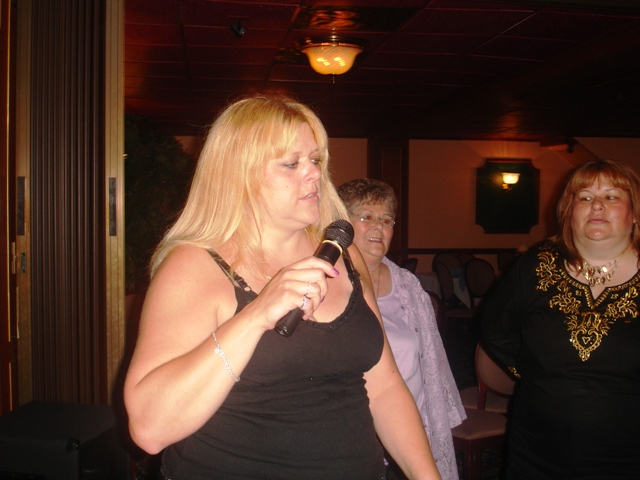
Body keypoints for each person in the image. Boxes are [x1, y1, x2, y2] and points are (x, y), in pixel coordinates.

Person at [124, 94, 441, 480]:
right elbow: (150, 428)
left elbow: (385, 387)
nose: (314, 175)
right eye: (291, 163)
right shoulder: (194, 266)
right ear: (238, 174)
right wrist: (255, 315)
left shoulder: (345, 256)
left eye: (316, 160)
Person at [482, 158, 640, 479]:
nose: (597, 205)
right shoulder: (536, 264)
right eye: (585, 197)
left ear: (634, 212)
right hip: (535, 450)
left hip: (628, 454)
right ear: (569, 211)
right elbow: (496, 330)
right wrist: (535, 375)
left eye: (611, 196)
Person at [338, 179, 465, 480]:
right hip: (348, 440)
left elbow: (430, 365)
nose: (378, 227)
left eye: (386, 220)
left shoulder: (408, 286)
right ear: (341, 223)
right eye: (366, 216)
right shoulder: (327, 284)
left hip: (406, 437)